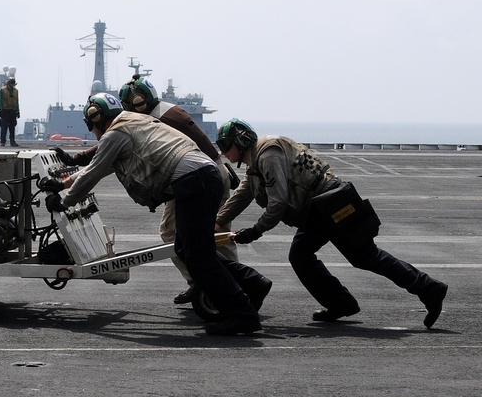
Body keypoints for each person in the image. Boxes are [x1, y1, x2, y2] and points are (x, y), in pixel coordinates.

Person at [47, 93, 267, 336]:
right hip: (203, 176)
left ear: (96, 120)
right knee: (187, 248)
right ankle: (253, 284)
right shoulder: (133, 122)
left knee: (197, 256)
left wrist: (62, 201)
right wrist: (63, 184)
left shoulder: (115, 134)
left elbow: (93, 172)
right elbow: (101, 167)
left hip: (192, 182)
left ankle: (242, 315)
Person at [215, 118, 449, 328]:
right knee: (318, 256)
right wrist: (218, 222)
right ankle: (345, 303)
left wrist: (254, 232)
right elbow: (243, 193)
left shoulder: (267, 156)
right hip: (320, 206)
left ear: (241, 141)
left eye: (225, 145)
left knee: (361, 256)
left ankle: (427, 288)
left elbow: (278, 203)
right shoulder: (257, 160)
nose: (223, 151)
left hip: (330, 204)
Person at [56, 75, 240, 305]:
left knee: (183, 239)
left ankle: (210, 286)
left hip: (192, 177)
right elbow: (109, 156)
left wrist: (66, 195)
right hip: (208, 172)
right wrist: (72, 172)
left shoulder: (144, 120)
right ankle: (227, 285)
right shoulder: (166, 112)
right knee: (207, 236)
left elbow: (106, 153)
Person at [0, 77, 20, 147]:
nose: (12, 85)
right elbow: (0, 101)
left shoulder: (16, 91)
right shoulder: (2, 90)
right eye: (11, 83)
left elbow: (17, 101)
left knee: (12, 127)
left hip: (13, 111)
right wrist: (0, 110)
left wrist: (18, 111)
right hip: (5, 110)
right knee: (4, 127)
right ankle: (2, 141)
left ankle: (12, 141)